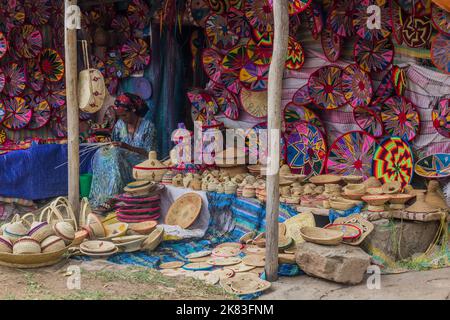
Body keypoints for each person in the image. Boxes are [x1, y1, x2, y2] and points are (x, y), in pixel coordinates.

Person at [89, 93, 156, 209]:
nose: (122, 119)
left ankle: (113, 198)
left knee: (116, 154)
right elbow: (114, 145)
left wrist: (126, 146)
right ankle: (101, 196)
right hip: (120, 160)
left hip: (141, 165)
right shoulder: (120, 125)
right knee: (101, 153)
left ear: (133, 110)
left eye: (124, 115)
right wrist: (108, 144)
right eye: (120, 116)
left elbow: (150, 154)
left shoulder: (148, 126)